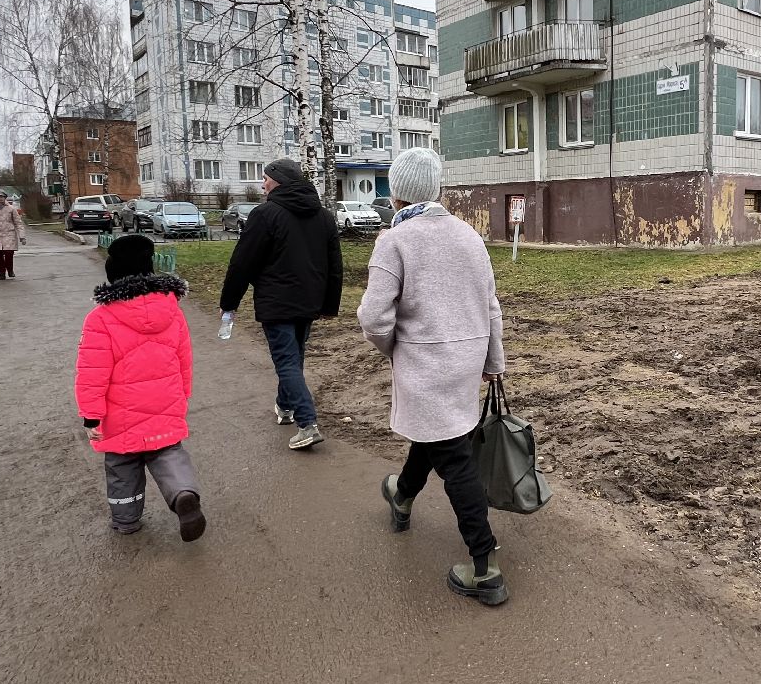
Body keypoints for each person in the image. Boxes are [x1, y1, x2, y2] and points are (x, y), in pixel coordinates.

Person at [357, 148, 509, 606]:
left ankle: (485, 567)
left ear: (395, 190)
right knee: (437, 434)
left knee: (455, 459)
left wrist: (395, 350)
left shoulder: (395, 240)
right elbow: (491, 307)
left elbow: (373, 318)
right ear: (437, 188)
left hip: (424, 366)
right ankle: (401, 496)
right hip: (464, 363)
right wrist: (493, 362)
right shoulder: (469, 237)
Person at [75, 233, 206, 541]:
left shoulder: (101, 318)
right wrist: (182, 394)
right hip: (166, 401)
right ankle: (183, 494)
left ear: (112, 275)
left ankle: (126, 520)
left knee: (122, 464)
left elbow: (92, 372)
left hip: (120, 412)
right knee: (168, 452)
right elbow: (184, 357)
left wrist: (91, 415)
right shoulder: (171, 309)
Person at [219, 158, 342, 450]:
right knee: (293, 358)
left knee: (287, 361)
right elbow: (335, 266)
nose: (263, 184)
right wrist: (328, 305)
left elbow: (242, 263)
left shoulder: (265, 215)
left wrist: (228, 303)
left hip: (277, 303)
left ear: (279, 181)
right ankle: (284, 406)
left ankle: (307, 423)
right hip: (309, 301)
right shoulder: (323, 216)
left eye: (266, 178)